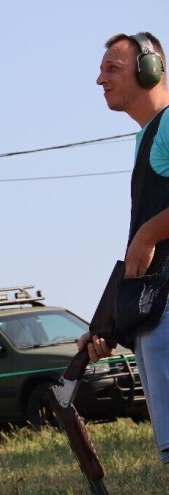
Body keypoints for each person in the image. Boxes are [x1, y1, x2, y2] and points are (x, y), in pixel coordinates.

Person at [79, 31, 169, 465]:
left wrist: (148, 233)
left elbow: (146, 243)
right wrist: (109, 325)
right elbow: (139, 257)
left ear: (149, 69)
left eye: (111, 68)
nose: (100, 79)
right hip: (156, 308)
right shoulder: (147, 136)